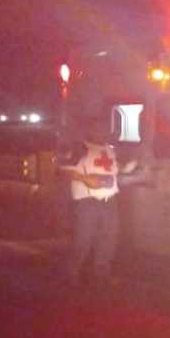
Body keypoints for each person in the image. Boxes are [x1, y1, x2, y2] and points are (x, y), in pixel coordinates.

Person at [58, 114, 137, 285]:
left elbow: (115, 170)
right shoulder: (80, 148)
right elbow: (64, 169)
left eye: (104, 129)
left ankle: (101, 274)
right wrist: (86, 179)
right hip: (88, 202)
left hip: (109, 201)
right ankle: (71, 273)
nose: (102, 132)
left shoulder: (109, 150)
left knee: (109, 238)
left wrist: (129, 167)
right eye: (98, 129)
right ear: (90, 131)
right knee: (84, 239)